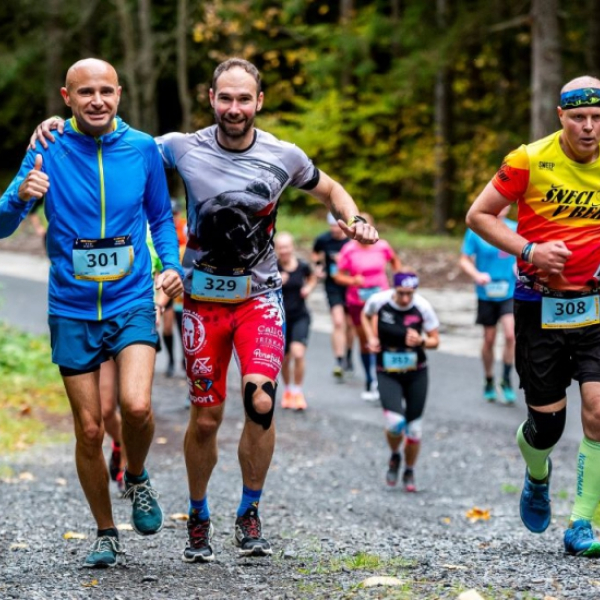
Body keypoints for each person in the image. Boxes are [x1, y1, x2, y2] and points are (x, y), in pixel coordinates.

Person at [30, 57, 380, 562]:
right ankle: (198, 515)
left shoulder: (284, 155)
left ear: (259, 101)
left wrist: (354, 218)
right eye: (225, 98)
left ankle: (250, 511)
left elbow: (329, 189)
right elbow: (108, 140)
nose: (234, 108)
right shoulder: (179, 147)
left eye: (244, 99)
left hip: (259, 298)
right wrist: (57, 124)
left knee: (260, 400)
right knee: (208, 417)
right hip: (201, 303)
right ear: (210, 99)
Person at [5, 58, 184, 568]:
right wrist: (21, 196)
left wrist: (169, 265)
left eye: (106, 90)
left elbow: (161, 217)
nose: (97, 100)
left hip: (130, 299)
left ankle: (136, 473)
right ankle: (106, 532)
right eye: (86, 92)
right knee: (87, 429)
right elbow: (2, 223)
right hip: (72, 306)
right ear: (67, 96)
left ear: (120, 93)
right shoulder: (47, 147)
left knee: (137, 407)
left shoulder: (144, 148)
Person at [466, 76, 600, 557]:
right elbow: (479, 215)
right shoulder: (527, 159)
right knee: (547, 428)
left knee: (599, 412)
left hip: (595, 308)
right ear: (560, 116)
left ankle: (582, 524)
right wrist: (530, 249)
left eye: (597, 118)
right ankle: (537, 475)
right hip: (537, 306)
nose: (589, 127)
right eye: (579, 117)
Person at [361, 271, 439, 492]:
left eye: (410, 294)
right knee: (395, 423)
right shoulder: (379, 301)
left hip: (416, 371)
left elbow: (436, 341)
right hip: (387, 370)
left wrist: (422, 340)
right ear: (394, 289)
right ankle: (395, 455)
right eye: (402, 293)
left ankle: (409, 469)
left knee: (414, 430)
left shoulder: (422, 307)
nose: (406, 299)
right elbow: (365, 316)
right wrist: (371, 337)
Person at [333, 213, 402, 401]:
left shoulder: (382, 246)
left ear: (372, 227)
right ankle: (370, 380)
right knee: (365, 342)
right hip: (358, 302)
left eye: (366, 226)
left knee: (382, 338)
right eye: (358, 227)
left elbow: (396, 263)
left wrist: (399, 282)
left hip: (383, 300)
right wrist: (352, 280)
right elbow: (338, 276)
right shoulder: (348, 250)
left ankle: (384, 379)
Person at [460, 206, 517, 404]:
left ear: (509, 207)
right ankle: (489, 379)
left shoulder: (515, 228)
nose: (501, 208)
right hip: (486, 293)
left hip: (509, 291)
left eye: (505, 204)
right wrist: (477, 275)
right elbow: (464, 260)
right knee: (489, 339)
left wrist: (519, 268)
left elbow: (524, 254)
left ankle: (507, 380)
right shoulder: (477, 229)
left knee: (511, 334)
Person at [275, 231, 318, 411]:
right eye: (280, 247)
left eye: (287, 246)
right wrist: (276, 282)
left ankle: (298, 391)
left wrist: (308, 288)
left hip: (300, 316)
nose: (284, 250)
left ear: (292, 247)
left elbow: (313, 277)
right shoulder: (272, 268)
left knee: (298, 353)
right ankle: (287, 390)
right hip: (280, 319)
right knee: (284, 359)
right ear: (276, 249)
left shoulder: (302, 266)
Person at [312, 213, 355, 380]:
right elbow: (315, 253)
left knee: (350, 324)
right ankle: (339, 360)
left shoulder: (351, 241)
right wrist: (318, 267)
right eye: (332, 227)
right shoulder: (323, 239)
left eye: (337, 227)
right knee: (338, 322)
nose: (335, 230)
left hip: (350, 284)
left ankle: (349, 355)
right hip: (332, 285)